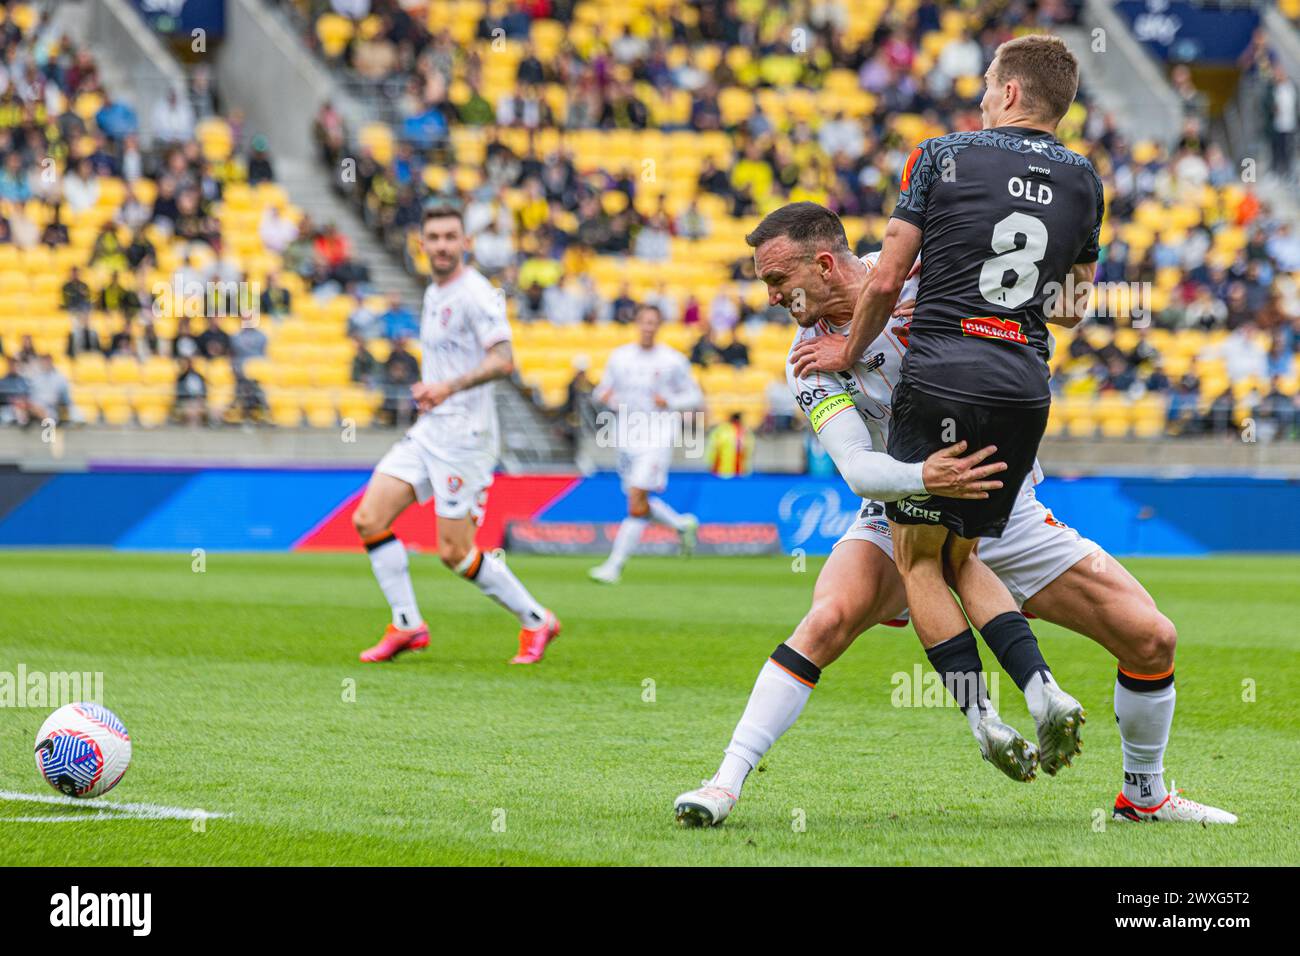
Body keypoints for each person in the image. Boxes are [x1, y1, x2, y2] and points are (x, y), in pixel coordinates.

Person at [674, 230, 1236, 828]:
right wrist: (925, 474)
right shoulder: (808, 358)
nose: (770, 297)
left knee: (1151, 640)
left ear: (823, 263)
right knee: (827, 619)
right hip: (906, 499)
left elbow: (1031, 296)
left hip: (1001, 497)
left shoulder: (920, 268)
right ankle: (724, 784)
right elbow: (861, 468)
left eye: (777, 281)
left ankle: (1142, 798)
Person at [793, 35, 1103, 783]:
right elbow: (1072, 309)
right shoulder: (1087, 180)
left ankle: (985, 717)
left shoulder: (940, 154)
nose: (981, 95)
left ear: (1010, 95)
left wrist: (844, 352)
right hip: (1026, 384)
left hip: (943, 374)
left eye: (988, 84)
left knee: (921, 559)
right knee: (964, 555)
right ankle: (1043, 688)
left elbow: (886, 274)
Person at [353, 206, 559, 665]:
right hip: (431, 432)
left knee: (454, 552)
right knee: (368, 519)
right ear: (421, 244)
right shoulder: (435, 291)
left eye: (451, 236)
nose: (442, 245)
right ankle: (407, 624)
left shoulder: (477, 294)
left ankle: (536, 619)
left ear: (465, 242)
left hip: (466, 438)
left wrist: (447, 386)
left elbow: (504, 358)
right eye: (434, 237)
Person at [587, 304, 703, 584]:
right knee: (638, 503)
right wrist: (604, 396)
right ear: (636, 323)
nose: (648, 327)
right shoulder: (620, 357)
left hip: (657, 435)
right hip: (626, 434)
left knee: (637, 497)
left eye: (653, 322)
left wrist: (672, 402)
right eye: (644, 322)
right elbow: (600, 390)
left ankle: (614, 566)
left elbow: (695, 396)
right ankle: (681, 524)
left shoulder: (673, 361)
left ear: (659, 325)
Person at [705, 412, 753, 478]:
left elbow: (712, 448)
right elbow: (749, 451)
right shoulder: (745, 432)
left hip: (721, 471)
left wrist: (709, 463)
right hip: (739, 472)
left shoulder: (720, 430)